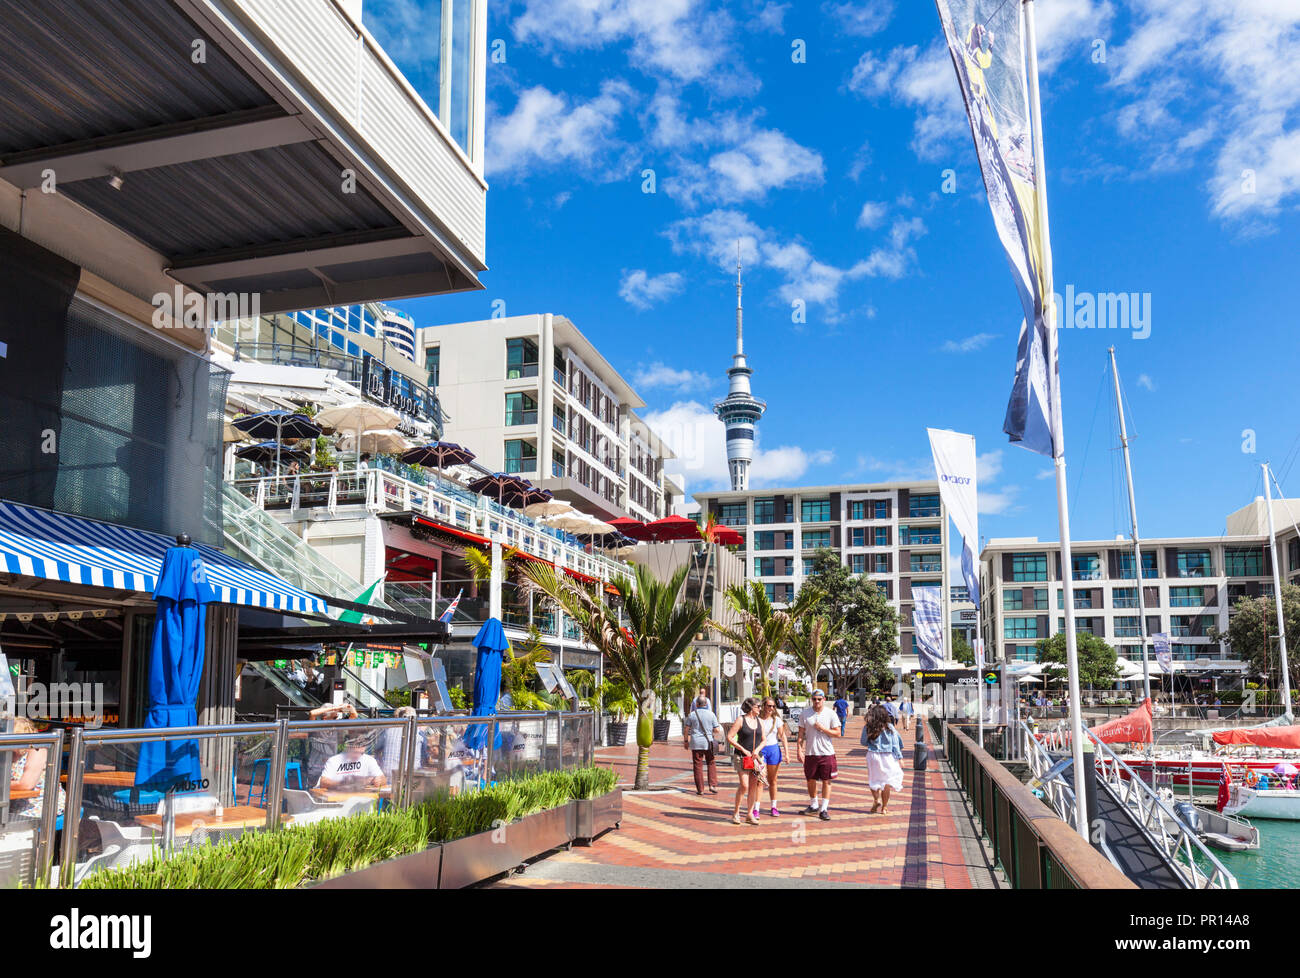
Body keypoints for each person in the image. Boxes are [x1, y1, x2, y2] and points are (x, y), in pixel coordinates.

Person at [796, 689, 841, 820]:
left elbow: (838, 733)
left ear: (824, 699)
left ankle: (824, 809)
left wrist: (823, 729)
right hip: (810, 753)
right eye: (814, 699)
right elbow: (800, 734)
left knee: (827, 780)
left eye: (819, 699)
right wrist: (799, 749)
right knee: (810, 779)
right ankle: (814, 805)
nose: (816, 702)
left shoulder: (831, 713)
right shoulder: (805, 714)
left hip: (827, 753)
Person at [8, 718, 65, 820]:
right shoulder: (8, 753)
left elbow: (26, 784)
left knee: (7, 829)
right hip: (13, 804)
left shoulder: (37, 750)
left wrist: (3, 785)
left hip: (40, 804)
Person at [726, 698, 764, 825]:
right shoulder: (741, 720)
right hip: (742, 757)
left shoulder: (760, 721)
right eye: (758, 706)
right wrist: (743, 749)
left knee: (753, 786)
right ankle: (736, 812)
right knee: (744, 785)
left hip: (755, 758)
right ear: (751, 707)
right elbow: (730, 737)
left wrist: (757, 750)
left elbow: (764, 739)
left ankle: (749, 814)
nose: (760, 708)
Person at [862, 704, 904, 814]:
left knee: (873, 780)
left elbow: (863, 742)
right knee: (886, 782)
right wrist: (900, 758)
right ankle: (884, 807)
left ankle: (876, 799)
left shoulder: (868, 727)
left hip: (873, 755)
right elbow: (895, 744)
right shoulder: (890, 727)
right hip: (887, 756)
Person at [306, 701, 358, 787]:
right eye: (334, 718)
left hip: (332, 769)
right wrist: (334, 709)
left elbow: (354, 715)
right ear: (325, 718)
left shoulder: (336, 727)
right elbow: (312, 713)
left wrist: (344, 708)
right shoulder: (315, 727)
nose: (336, 720)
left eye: (337, 717)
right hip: (316, 770)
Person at [683, 696, 723, 795]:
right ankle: (712, 785)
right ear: (706, 704)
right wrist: (710, 730)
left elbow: (686, 729)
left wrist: (685, 741)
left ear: (696, 704)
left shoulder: (692, 715)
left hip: (696, 743)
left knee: (697, 765)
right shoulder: (711, 714)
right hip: (708, 742)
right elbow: (717, 730)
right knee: (711, 762)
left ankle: (700, 789)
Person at [317, 736, 388, 790]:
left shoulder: (369, 760)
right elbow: (323, 782)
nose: (358, 755)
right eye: (355, 752)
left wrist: (378, 781)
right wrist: (343, 784)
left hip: (361, 801)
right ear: (348, 747)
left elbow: (383, 779)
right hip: (337, 802)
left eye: (361, 752)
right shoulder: (334, 760)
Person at [757, 696, 789, 817]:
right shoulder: (757, 719)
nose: (771, 708)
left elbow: (783, 736)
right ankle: (756, 808)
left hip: (773, 750)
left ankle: (774, 806)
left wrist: (787, 753)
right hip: (761, 750)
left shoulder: (776, 720)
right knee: (760, 780)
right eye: (769, 706)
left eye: (773, 706)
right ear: (763, 706)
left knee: (773, 780)